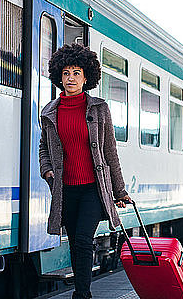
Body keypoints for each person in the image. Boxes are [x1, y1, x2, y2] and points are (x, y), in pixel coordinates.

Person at [39, 43, 131, 299]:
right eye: (66, 72)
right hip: (65, 189)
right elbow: (43, 147)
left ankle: (82, 294)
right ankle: (82, 291)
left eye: (76, 73)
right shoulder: (49, 112)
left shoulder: (99, 109)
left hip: (92, 188)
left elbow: (110, 151)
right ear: (59, 76)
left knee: (82, 240)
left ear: (86, 77)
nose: (70, 78)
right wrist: (47, 171)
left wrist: (120, 191)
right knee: (74, 245)